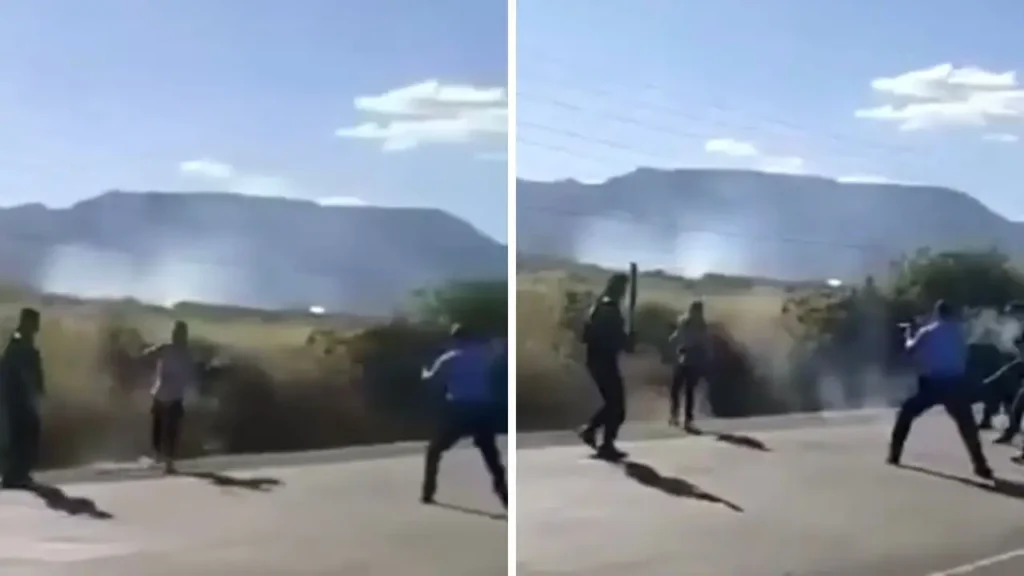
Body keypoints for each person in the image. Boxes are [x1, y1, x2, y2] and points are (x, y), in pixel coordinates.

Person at [887, 300, 993, 479]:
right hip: (955, 382)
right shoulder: (961, 331)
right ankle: (980, 465)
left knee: (906, 413)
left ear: (937, 313)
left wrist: (908, 335)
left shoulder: (928, 331)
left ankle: (894, 455)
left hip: (933, 383)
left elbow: (910, 350)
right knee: (967, 425)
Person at [420, 324, 507, 508]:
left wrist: (424, 372)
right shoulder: (483, 357)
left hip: (459, 410)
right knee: (490, 453)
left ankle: (428, 491)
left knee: (434, 450)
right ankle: (503, 491)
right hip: (483, 408)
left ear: (455, 340)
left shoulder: (449, 359)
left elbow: (432, 379)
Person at [577, 273, 633, 461]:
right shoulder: (610, 308)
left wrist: (624, 340)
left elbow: (587, 336)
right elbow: (613, 338)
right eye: (623, 288)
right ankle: (603, 441)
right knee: (617, 406)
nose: (624, 292)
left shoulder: (599, 305)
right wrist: (626, 341)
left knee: (613, 404)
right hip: (603, 361)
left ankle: (593, 433)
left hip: (597, 360)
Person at [141, 320, 200, 474]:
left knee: (159, 429)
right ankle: (168, 463)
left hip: (162, 394)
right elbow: (190, 376)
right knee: (170, 431)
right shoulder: (188, 353)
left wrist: (147, 352)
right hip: (174, 396)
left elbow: (148, 354)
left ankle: (161, 459)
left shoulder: (167, 348)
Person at [0, 308, 44, 489]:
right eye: (35, 322)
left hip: (18, 399)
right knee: (20, 436)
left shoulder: (22, 340)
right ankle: (15, 475)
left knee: (22, 436)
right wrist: (31, 396)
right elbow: (23, 372)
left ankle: (18, 474)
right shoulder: (19, 342)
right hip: (17, 400)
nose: (37, 327)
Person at [668, 301, 711, 430]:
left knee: (689, 390)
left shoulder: (701, 326)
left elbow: (704, 341)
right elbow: (677, 335)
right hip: (682, 357)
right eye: (694, 310)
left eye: (698, 310)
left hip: (693, 359)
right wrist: (672, 341)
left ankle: (688, 419)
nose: (696, 313)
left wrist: (707, 354)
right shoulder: (684, 322)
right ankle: (674, 415)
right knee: (675, 389)